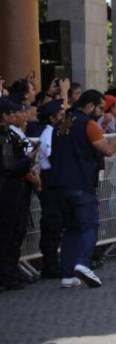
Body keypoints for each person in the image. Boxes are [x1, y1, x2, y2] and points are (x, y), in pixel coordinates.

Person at [46, 90, 116, 288]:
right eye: (100, 108)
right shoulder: (88, 124)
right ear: (89, 106)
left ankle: (67, 274)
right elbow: (109, 150)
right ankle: (83, 264)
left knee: (70, 229)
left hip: (59, 184)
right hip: (81, 184)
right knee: (89, 226)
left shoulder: (60, 124)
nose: (102, 112)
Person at [0, 98, 38, 290]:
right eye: (13, 113)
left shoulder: (9, 134)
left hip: (15, 189)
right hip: (7, 191)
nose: (17, 115)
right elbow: (8, 166)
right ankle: (6, 274)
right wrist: (28, 160)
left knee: (16, 232)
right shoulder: (4, 136)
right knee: (7, 234)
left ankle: (11, 271)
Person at [35, 99, 66, 277]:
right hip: (50, 179)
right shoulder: (48, 133)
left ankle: (53, 261)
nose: (63, 117)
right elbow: (51, 154)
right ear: (52, 117)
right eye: (60, 114)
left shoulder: (56, 132)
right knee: (52, 222)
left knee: (57, 222)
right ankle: (50, 264)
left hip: (56, 179)